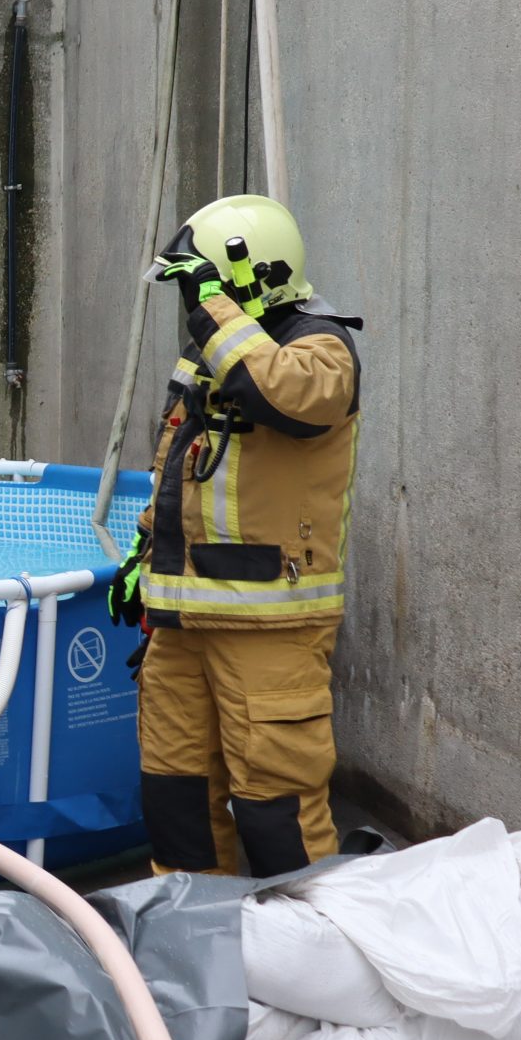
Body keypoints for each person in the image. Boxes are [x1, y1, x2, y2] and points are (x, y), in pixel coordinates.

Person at [110, 194, 361, 877]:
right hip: (183, 623)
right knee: (176, 795)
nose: (192, 303)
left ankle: (316, 961)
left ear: (249, 276)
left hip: (268, 631)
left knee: (275, 806)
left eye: (199, 284)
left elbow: (280, 395)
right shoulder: (210, 354)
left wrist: (216, 310)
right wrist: (142, 558)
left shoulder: (322, 348)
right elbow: (175, 468)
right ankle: (188, 947)